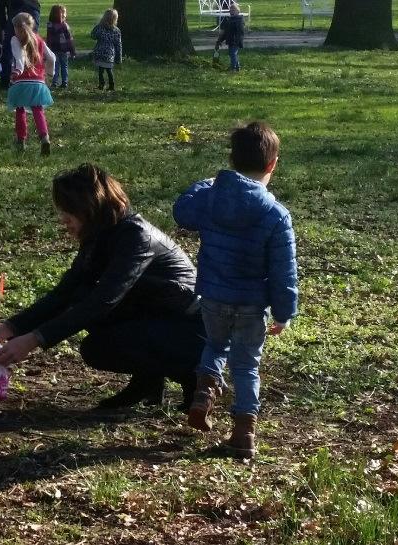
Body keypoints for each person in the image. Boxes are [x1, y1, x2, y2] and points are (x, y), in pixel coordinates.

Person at [0, 163, 205, 412]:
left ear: (90, 207)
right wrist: (5, 331)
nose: (63, 218)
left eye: (69, 210)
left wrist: (33, 340)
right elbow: (64, 293)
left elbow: (103, 300)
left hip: (190, 328)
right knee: (82, 300)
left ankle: (193, 377)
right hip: (156, 317)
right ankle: (147, 382)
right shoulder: (100, 235)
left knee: (98, 346)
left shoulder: (136, 237)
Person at [173, 122, 298, 459]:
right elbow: (284, 270)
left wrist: (207, 184)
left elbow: (182, 210)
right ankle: (243, 434)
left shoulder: (211, 199)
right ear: (272, 164)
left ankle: (204, 393)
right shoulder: (276, 214)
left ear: (231, 159)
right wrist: (285, 312)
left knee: (214, 345)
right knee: (246, 366)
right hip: (252, 304)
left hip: (213, 296)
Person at [7, 12, 55, 155]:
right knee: (38, 109)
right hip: (38, 82)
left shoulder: (15, 40)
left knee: (20, 110)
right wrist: (50, 73)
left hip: (22, 82)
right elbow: (52, 57)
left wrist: (17, 71)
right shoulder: (39, 40)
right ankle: (44, 138)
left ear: (16, 27)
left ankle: (21, 141)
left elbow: (19, 58)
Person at [0, 0, 42, 88]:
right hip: (32, 8)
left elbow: (0, 8)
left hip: (15, 8)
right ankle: (33, 76)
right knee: (31, 44)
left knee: (9, 47)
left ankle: (6, 79)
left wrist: (4, 27)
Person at [91, 9, 122, 91]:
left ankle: (101, 85)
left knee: (100, 70)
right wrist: (119, 57)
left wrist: (97, 26)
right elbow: (118, 44)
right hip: (109, 54)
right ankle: (111, 85)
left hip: (100, 52)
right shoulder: (116, 31)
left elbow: (93, 35)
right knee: (109, 70)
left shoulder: (100, 28)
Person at [46, 4, 76, 89]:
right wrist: (72, 51)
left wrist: (48, 48)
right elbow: (69, 39)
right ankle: (64, 82)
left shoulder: (50, 25)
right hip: (63, 49)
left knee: (56, 66)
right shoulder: (64, 25)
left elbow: (49, 38)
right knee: (64, 66)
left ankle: (55, 82)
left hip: (54, 49)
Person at [215, 3, 245, 72]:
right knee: (232, 54)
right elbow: (225, 32)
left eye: (234, 10)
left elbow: (240, 32)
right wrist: (220, 41)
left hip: (236, 41)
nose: (232, 12)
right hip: (230, 40)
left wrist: (236, 40)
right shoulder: (229, 20)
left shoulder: (239, 20)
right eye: (231, 10)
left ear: (238, 11)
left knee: (233, 54)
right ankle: (237, 67)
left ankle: (233, 68)